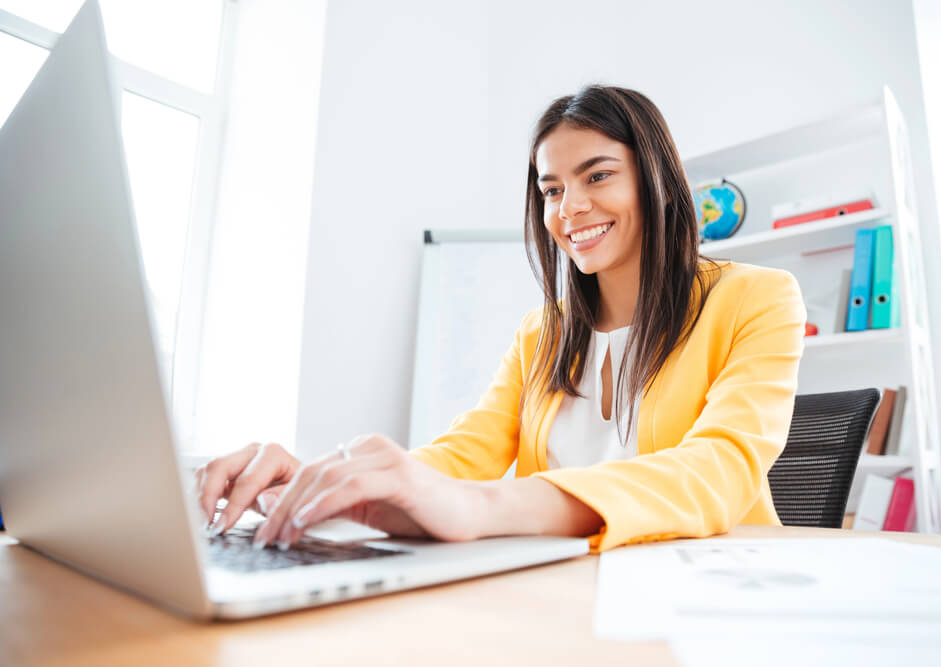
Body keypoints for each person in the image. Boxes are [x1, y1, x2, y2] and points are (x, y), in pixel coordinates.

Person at [195, 84, 807, 553]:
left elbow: (718, 470)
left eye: (597, 175)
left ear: (660, 183)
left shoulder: (759, 299)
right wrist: (329, 485)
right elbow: (465, 454)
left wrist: (486, 509)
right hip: (560, 589)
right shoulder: (542, 333)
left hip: (709, 593)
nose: (571, 208)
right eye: (552, 190)